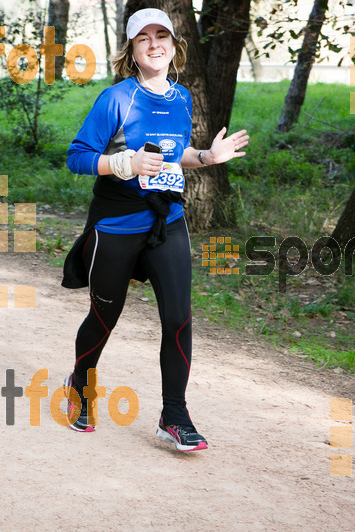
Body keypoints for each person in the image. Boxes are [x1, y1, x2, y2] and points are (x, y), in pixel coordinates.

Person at [61, 8, 249, 452]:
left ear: (174, 45)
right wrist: (118, 163)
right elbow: (76, 156)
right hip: (117, 222)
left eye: (161, 35)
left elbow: (174, 153)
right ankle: (81, 384)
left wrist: (205, 157)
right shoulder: (117, 99)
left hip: (167, 220)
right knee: (105, 317)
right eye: (143, 38)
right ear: (131, 49)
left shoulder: (181, 98)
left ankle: (174, 414)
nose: (154, 44)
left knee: (178, 317)